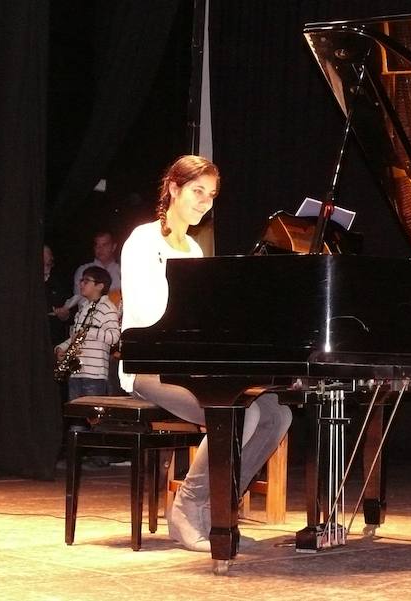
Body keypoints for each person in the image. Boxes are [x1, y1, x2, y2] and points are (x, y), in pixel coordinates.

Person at [119, 155, 291, 552]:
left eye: (211, 195)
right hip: (150, 366)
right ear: (174, 189)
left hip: (189, 364)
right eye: (198, 191)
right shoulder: (142, 241)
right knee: (240, 414)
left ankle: (220, 510)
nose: (205, 202)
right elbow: (149, 314)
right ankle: (186, 507)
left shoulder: (195, 248)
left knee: (276, 414)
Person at [54, 265, 121, 400]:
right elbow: (76, 336)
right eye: (81, 281)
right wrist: (61, 347)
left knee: (91, 412)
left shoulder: (108, 308)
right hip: (76, 372)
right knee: (76, 411)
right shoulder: (83, 308)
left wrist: (91, 332)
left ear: (100, 286)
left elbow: (114, 337)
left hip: (95, 374)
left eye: (86, 281)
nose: (81, 284)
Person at [44, 245, 72, 346]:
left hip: (54, 337)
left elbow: (72, 312)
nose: (46, 268)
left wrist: (65, 315)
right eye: (43, 264)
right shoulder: (27, 283)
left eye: (48, 264)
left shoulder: (59, 281)